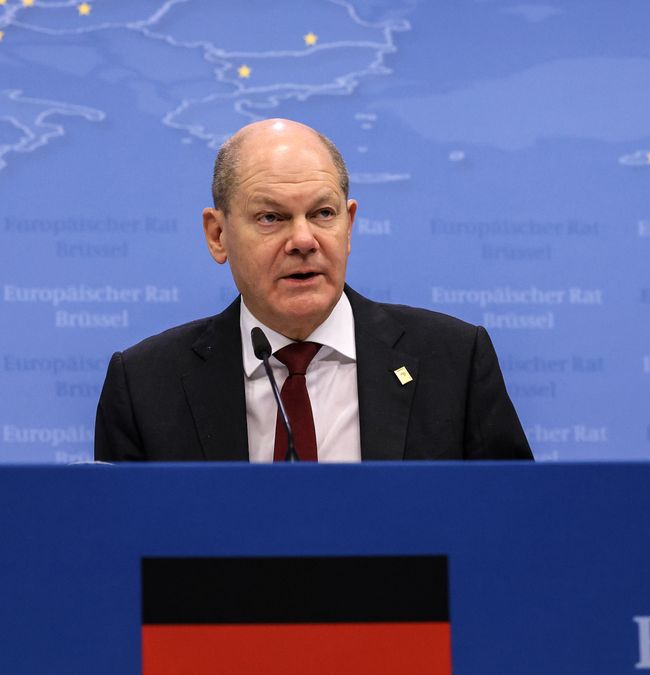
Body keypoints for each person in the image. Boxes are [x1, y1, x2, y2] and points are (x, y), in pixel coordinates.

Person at [94, 118, 532, 462]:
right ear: (218, 235)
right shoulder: (146, 385)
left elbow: (512, 529)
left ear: (349, 223)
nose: (304, 240)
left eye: (323, 213)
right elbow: (120, 558)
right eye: (271, 217)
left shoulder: (454, 361)